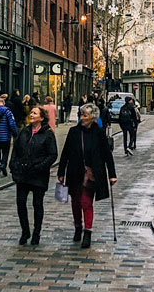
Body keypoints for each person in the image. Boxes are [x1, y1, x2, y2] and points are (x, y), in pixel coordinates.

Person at [58, 102, 117, 249]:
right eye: (81, 115)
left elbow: (107, 155)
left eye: (84, 115)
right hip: (74, 172)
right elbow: (65, 153)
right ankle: (78, 226)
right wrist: (60, 173)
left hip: (92, 173)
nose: (82, 118)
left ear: (92, 118)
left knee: (86, 202)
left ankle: (87, 232)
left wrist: (112, 174)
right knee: (75, 202)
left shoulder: (99, 133)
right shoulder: (73, 132)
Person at [9, 105, 58, 245]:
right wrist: (14, 166)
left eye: (35, 113)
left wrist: (39, 167)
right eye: (31, 112)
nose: (31, 115)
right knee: (20, 203)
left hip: (38, 175)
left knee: (37, 204)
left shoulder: (48, 134)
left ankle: (36, 233)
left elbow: (52, 155)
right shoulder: (24, 132)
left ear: (42, 118)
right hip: (23, 174)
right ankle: (25, 231)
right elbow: (16, 151)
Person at [0, 94, 18, 176]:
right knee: (5, 152)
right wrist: (14, 133)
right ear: (4, 103)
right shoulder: (8, 112)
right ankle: (3, 165)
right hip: (5, 136)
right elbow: (11, 123)